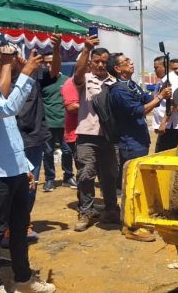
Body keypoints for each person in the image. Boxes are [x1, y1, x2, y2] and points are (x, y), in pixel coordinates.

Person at [0, 46, 56, 293]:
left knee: (19, 228)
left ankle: (23, 280)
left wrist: (25, 166)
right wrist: (26, 73)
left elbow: (11, 135)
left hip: (16, 172)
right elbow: (9, 109)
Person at [106, 53, 171, 242]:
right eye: (126, 61)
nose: (131, 62)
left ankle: (139, 217)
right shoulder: (119, 91)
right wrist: (160, 97)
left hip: (139, 140)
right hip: (130, 142)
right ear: (117, 69)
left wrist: (160, 92)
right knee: (131, 184)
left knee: (138, 182)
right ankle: (130, 226)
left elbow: (145, 98)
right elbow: (138, 111)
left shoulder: (131, 84)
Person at [14, 37, 63, 243]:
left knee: (31, 185)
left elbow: (54, 70)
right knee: (8, 186)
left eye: (16, 54)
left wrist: (56, 48)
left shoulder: (36, 76)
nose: (15, 59)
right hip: (8, 142)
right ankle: (7, 224)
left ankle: (23, 223)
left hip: (33, 139)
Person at [72, 36, 120, 232]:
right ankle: (86, 211)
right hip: (87, 137)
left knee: (110, 176)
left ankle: (111, 210)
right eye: (97, 61)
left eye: (104, 62)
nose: (100, 65)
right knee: (85, 175)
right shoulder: (84, 79)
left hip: (109, 138)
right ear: (91, 63)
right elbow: (77, 73)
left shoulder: (116, 82)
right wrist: (86, 49)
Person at [41, 53, 75, 192]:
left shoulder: (68, 81)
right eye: (46, 62)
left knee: (67, 151)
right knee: (48, 152)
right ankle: (50, 179)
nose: (49, 65)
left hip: (64, 123)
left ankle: (68, 176)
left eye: (51, 62)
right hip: (47, 123)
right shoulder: (42, 81)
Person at [151, 56, 178, 153]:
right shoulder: (163, 80)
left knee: (164, 154)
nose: (155, 70)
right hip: (166, 127)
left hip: (171, 127)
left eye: (156, 68)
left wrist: (163, 123)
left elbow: (173, 103)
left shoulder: (172, 80)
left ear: (164, 67)